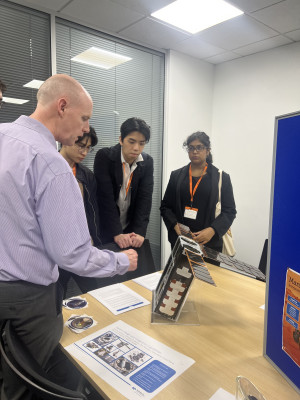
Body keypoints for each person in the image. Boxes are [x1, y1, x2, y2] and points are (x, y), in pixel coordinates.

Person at [0, 74, 137, 400]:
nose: (86, 129)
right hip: (29, 301)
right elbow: (71, 254)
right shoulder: (50, 163)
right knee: (33, 384)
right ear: (62, 106)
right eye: (85, 118)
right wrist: (121, 261)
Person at [160, 131, 236, 252]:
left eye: (199, 147)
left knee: (208, 271)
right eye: (191, 148)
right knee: (181, 271)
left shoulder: (221, 177)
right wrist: (175, 225)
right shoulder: (176, 176)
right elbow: (165, 207)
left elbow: (230, 211)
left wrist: (212, 230)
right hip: (181, 241)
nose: (195, 151)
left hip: (209, 243)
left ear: (208, 150)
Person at [94, 117, 154, 249]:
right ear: (121, 139)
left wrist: (139, 231)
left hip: (130, 230)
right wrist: (116, 232)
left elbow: (145, 199)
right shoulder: (105, 157)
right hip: (105, 228)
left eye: (141, 143)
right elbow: (105, 199)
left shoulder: (147, 162)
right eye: (131, 142)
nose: (136, 148)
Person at [58, 126, 102, 295]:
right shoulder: (48, 166)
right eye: (81, 145)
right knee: (56, 296)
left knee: (94, 292)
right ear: (67, 140)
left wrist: (94, 240)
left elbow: (92, 212)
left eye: (88, 148)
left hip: (80, 246)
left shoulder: (86, 174)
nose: (84, 152)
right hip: (57, 248)